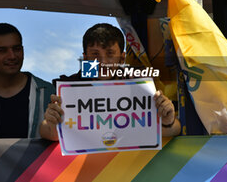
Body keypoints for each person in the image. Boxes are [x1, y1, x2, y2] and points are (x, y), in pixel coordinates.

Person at [40, 23, 181, 141]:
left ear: (122, 58)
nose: (102, 62)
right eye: (95, 54)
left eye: (110, 54)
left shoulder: (138, 84)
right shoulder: (69, 86)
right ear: (85, 58)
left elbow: (172, 130)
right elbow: (46, 132)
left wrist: (168, 122)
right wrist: (52, 123)